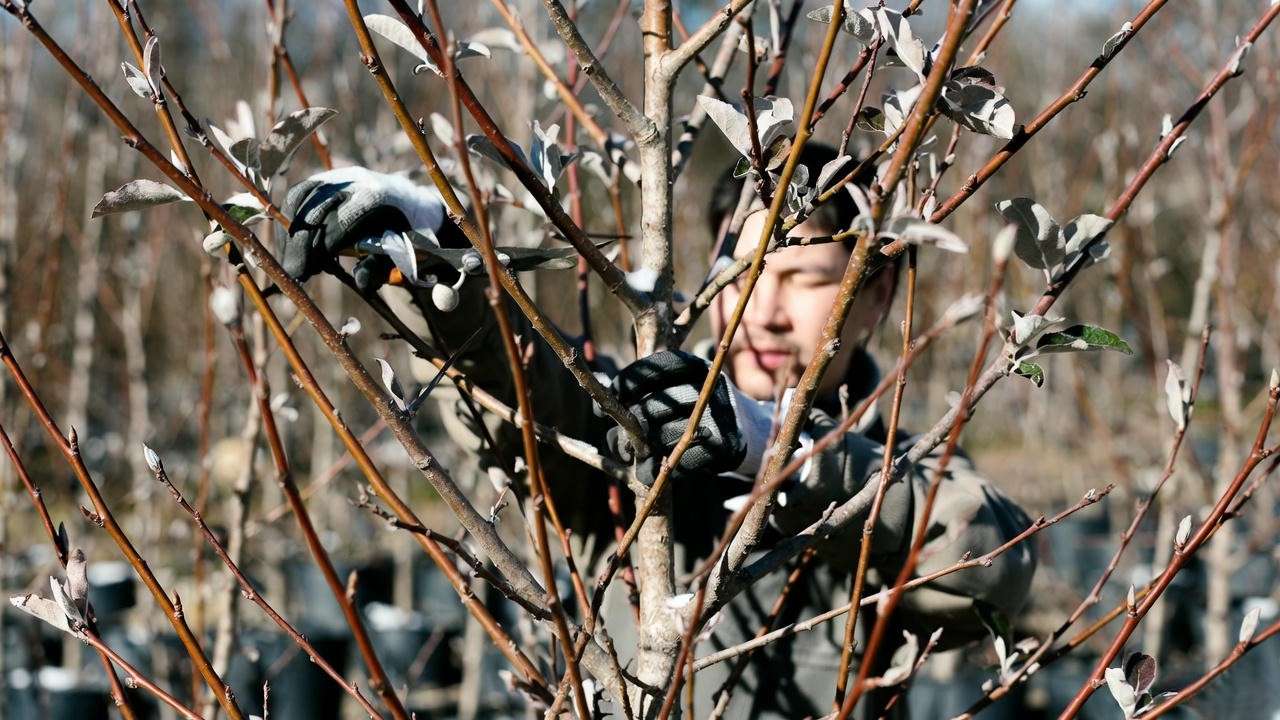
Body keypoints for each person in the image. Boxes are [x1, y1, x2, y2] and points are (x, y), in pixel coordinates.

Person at [278, 143, 1036, 718]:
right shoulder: (640, 418)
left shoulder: (905, 465)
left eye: (804, 279)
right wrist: (440, 267)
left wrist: (783, 452)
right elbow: (532, 401)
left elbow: (995, 565)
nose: (764, 311)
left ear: (874, 300)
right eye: (741, 275)